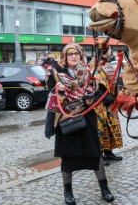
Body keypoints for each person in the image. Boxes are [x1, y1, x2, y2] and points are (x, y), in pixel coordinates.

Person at [44, 43, 115, 204]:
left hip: (86, 118)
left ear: (81, 55)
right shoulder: (55, 74)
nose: (74, 57)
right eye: (70, 55)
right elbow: (49, 95)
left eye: (76, 54)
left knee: (95, 154)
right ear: (65, 57)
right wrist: (59, 90)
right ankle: (67, 193)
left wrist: (90, 100)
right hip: (65, 120)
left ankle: (105, 189)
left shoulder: (89, 72)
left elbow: (100, 93)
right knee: (68, 158)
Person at [93, 46, 124, 162]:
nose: (111, 50)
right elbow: (96, 85)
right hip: (101, 104)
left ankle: (108, 152)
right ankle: (100, 155)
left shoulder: (106, 63)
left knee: (110, 128)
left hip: (110, 103)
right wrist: (105, 97)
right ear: (104, 51)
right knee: (101, 129)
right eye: (110, 49)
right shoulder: (96, 65)